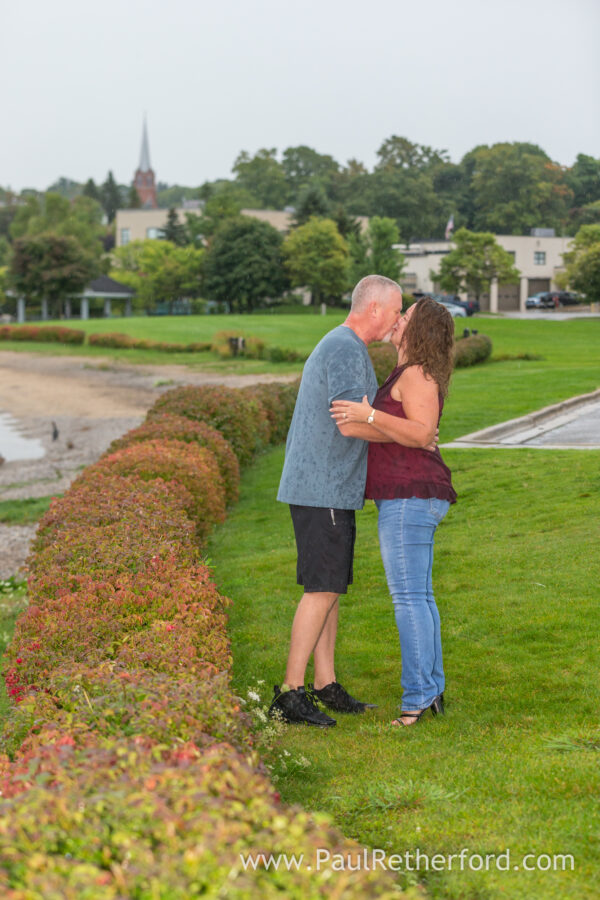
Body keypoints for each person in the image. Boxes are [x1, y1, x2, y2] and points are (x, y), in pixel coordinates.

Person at [269, 274, 405, 727]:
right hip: (322, 487)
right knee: (322, 588)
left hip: (325, 488)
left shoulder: (344, 344)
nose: (397, 318)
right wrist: (411, 436)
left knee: (328, 587)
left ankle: (325, 684)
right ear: (374, 309)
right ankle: (290, 692)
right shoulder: (346, 347)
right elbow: (350, 422)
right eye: (395, 309)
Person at [330, 296, 457, 727]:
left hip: (410, 496)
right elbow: (409, 432)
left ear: (419, 330)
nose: (398, 320)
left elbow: (421, 433)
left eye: (406, 316)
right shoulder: (408, 373)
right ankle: (432, 690)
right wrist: (372, 420)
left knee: (408, 598)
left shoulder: (418, 374)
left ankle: (417, 700)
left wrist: (368, 415)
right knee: (419, 596)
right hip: (410, 496)